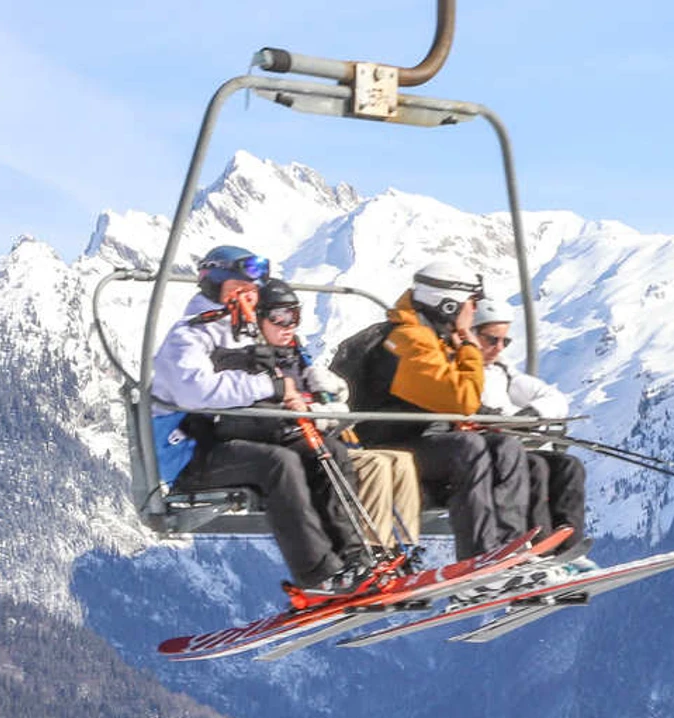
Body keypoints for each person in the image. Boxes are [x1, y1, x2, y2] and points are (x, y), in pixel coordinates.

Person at [151, 245, 371, 601]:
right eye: (238, 289)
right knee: (277, 464)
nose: (248, 298)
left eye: (252, 291)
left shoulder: (244, 332)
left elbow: (277, 378)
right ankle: (317, 574)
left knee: (326, 452)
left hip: (237, 436)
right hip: (192, 453)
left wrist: (306, 391)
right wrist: (271, 387)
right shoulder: (189, 336)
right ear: (214, 286)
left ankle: (355, 558)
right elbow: (195, 391)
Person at [350, 256, 531, 561]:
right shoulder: (409, 340)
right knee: (468, 448)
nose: (474, 310)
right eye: (472, 302)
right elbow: (461, 399)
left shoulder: (436, 339)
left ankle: (509, 548)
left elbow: (461, 400)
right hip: (387, 445)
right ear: (449, 305)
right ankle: (479, 556)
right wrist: (470, 348)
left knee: (505, 447)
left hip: (418, 439)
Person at [254, 278, 423, 560]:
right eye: (279, 317)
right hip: (296, 445)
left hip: (319, 437)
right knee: (375, 465)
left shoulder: (294, 356)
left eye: (294, 315)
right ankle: (374, 552)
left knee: (402, 461)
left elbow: (320, 401)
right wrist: (317, 412)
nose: (289, 325)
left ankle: (403, 548)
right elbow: (274, 410)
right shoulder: (257, 360)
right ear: (259, 318)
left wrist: (333, 395)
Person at [471, 297, 586, 541]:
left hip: (511, 448)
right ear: (471, 334)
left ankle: (568, 544)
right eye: (492, 340)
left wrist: (530, 416)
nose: (499, 348)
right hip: (483, 453)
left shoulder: (501, 370)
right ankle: (535, 544)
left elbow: (554, 398)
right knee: (535, 468)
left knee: (568, 466)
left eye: (505, 341)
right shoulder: (458, 370)